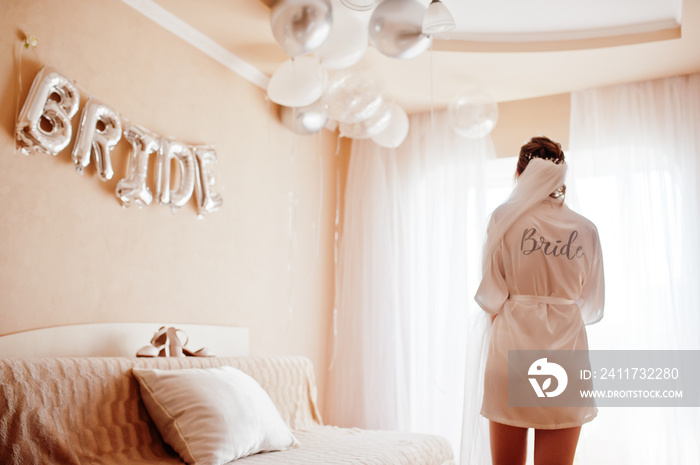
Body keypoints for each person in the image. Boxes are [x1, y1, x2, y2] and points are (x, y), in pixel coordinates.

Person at [474, 136, 605, 465]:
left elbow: (491, 296)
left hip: (511, 351)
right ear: (561, 176)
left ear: (520, 172)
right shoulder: (585, 229)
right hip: (566, 357)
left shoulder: (503, 220)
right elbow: (590, 305)